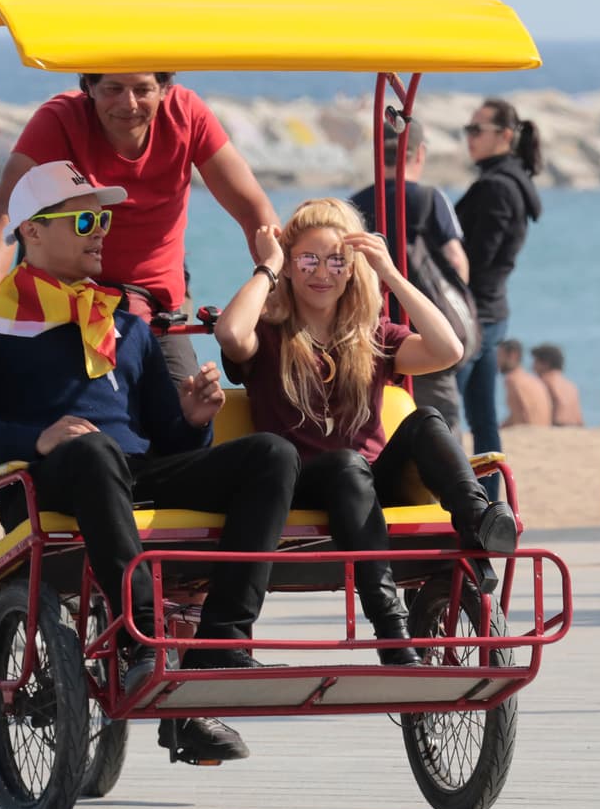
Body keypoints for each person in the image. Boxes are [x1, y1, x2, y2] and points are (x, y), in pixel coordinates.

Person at [0, 160, 301, 763]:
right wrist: (39, 437)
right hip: (49, 482)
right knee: (91, 449)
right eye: (84, 219)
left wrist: (193, 418)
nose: (100, 231)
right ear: (32, 231)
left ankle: (222, 642)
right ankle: (144, 638)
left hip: (128, 472)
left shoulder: (124, 325)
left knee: (272, 454)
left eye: (103, 219)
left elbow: (166, 439)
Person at [216, 198, 517, 664]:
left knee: (426, 420)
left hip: (372, 485)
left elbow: (449, 349)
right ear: (292, 266)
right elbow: (232, 336)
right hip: (299, 485)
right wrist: (268, 265)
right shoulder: (271, 332)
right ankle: (391, 629)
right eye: (308, 260)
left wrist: (391, 274)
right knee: (345, 465)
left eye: (338, 261)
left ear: (353, 269)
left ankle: (478, 518)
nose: (323, 272)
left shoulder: (372, 335)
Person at [0, 73, 278, 382]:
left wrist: (282, 298)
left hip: (157, 310)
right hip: (67, 304)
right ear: (89, 87)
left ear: (164, 89)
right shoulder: (59, 119)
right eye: (113, 89)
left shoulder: (187, 113)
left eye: (143, 90)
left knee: (185, 416)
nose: (128, 103)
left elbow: (253, 210)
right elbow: (4, 215)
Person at [350, 120, 469, 434]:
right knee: (440, 421)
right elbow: (456, 260)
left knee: (382, 416)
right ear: (420, 154)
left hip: (372, 333)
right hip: (425, 328)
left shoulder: (354, 204)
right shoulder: (430, 198)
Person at [455, 98, 543, 495]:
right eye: (468, 130)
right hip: (490, 310)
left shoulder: (497, 187)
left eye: (477, 130)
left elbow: (478, 258)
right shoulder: (509, 181)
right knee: (481, 416)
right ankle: (489, 505)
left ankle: (472, 502)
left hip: (476, 312)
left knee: (443, 410)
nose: (469, 138)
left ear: (505, 136)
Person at [496, 339, 551, 428]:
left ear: (513, 355)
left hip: (529, 430)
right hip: (543, 428)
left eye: (499, 355)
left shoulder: (512, 381)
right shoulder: (533, 380)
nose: (497, 361)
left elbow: (520, 417)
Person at [530, 343, 584, 426]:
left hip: (558, 424)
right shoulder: (570, 385)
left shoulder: (544, 382)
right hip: (577, 426)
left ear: (546, 364)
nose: (532, 367)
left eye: (536, 362)